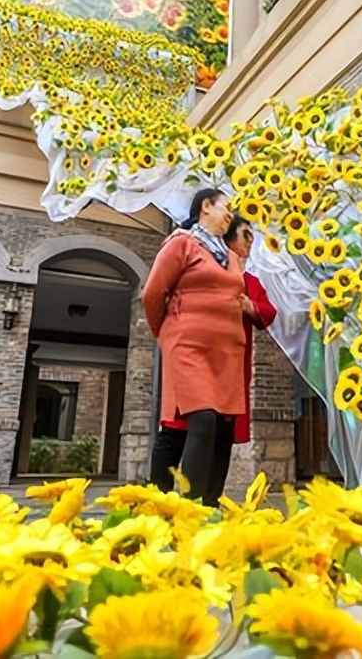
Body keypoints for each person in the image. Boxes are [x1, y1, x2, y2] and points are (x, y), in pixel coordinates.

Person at [150, 216, 277, 499]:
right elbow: (158, 294)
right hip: (192, 360)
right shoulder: (194, 266)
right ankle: (157, 498)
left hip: (230, 366)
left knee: (221, 432)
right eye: (245, 235)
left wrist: (249, 306)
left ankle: (208, 502)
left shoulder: (249, 281)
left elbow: (267, 312)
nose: (249, 243)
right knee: (177, 430)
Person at [142, 189, 246, 503]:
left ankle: (211, 505)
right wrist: (166, 332)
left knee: (224, 427)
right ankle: (189, 509)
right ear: (205, 206)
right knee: (202, 419)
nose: (230, 213)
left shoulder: (229, 255)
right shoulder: (182, 242)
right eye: (226, 207)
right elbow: (152, 293)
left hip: (227, 352)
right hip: (189, 346)